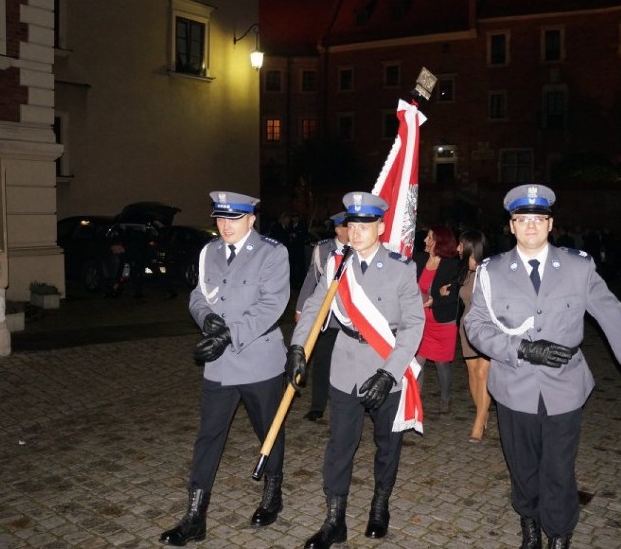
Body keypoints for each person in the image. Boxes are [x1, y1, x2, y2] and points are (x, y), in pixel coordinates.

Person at [464, 184, 621, 549]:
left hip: (565, 387)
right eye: (523, 220)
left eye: (539, 219)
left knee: (558, 469)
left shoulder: (578, 267)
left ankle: (559, 534)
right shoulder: (492, 272)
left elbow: (612, 315)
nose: (531, 226)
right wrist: (522, 348)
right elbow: (475, 326)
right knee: (522, 468)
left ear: (550, 224)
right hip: (513, 385)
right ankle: (530, 525)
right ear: (511, 226)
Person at [285, 191, 425, 549]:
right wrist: (298, 347)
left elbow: (413, 325)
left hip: (386, 365)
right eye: (352, 224)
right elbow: (315, 308)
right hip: (346, 363)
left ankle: (380, 506)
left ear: (380, 226)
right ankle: (335, 520)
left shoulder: (401, 267)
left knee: (387, 444)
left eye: (366, 225)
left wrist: (390, 372)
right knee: (339, 445)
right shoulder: (336, 264)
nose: (357, 231)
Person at [160, 191, 290, 546]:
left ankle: (272, 494)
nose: (225, 226)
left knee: (269, 430)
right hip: (219, 365)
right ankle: (195, 516)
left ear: (251, 219)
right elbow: (198, 296)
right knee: (209, 437)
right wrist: (209, 323)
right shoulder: (209, 252)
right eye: (220, 219)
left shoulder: (272, 253)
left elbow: (272, 305)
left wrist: (229, 335)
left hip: (259, 360)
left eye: (233, 219)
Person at [295, 211, 349, 422]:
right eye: (348, 226)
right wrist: (301, 309)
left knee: (349, 363)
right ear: (338, 229)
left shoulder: (359, 249)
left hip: (352, 319)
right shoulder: (323, 249)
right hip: (328, 319)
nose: (352, 230)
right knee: (322, 362)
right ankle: (318, 406)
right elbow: (312, 279)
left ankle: (347, 404)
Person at [413, 226, 460, 414]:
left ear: (440, 242)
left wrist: (435, 299)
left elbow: (452, 294)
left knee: (442, 364)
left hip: (442, 322)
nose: (425, 240)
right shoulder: (419, 259)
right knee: (417, 362)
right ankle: (415, 399)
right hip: (421, 320)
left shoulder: (451, 265)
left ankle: (445, 398)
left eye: (430, 237)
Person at [455, 229, 491, 442]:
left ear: (471, 247)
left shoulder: (490, 271)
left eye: (461, 244)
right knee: (472, 372)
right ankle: (482, 411)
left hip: (487, 328)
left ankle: (478, 423)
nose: (458, 248)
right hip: (466, 327)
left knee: (482, 374)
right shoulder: (465, 271)